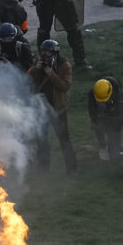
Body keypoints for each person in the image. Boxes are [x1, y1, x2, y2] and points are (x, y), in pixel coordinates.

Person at [30, 39, 78, 174]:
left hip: (58, 109)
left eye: (48, 52)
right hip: (42, 109)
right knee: (42, 140)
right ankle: (43, 168)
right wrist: (36, 69)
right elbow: (30, 79)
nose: (45, 55)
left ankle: (72, 169)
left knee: (64, 140)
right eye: (43, 51)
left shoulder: (64, 66)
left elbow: (65, 86)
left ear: (55, 53)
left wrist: (51, 74)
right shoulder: (39, 63)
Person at [88, 77, 123, 162]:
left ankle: (116, 146)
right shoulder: (93, 93)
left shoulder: (118, 95)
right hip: (101, 123)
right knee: (97, 125)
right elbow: (92, 113)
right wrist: (98, 118)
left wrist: (109, 120)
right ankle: (103, 146)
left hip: (114, 124)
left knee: (115, 158)